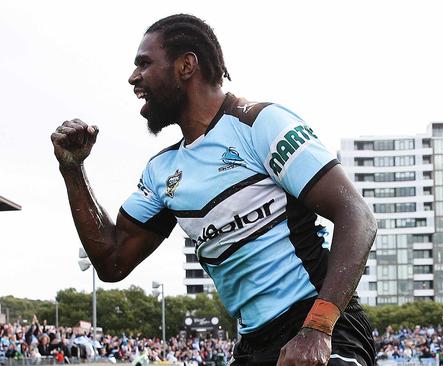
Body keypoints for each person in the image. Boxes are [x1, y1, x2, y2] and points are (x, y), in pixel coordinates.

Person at [51, 13, 377, 366]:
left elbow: (357, 215)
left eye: (144, 63)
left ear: (186, 65)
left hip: (322, 327)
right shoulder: (162, 171)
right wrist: (73, 169)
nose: (133, 78)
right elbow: (112, 261)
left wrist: (317, 329)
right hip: (254, 345)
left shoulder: (260, 123)